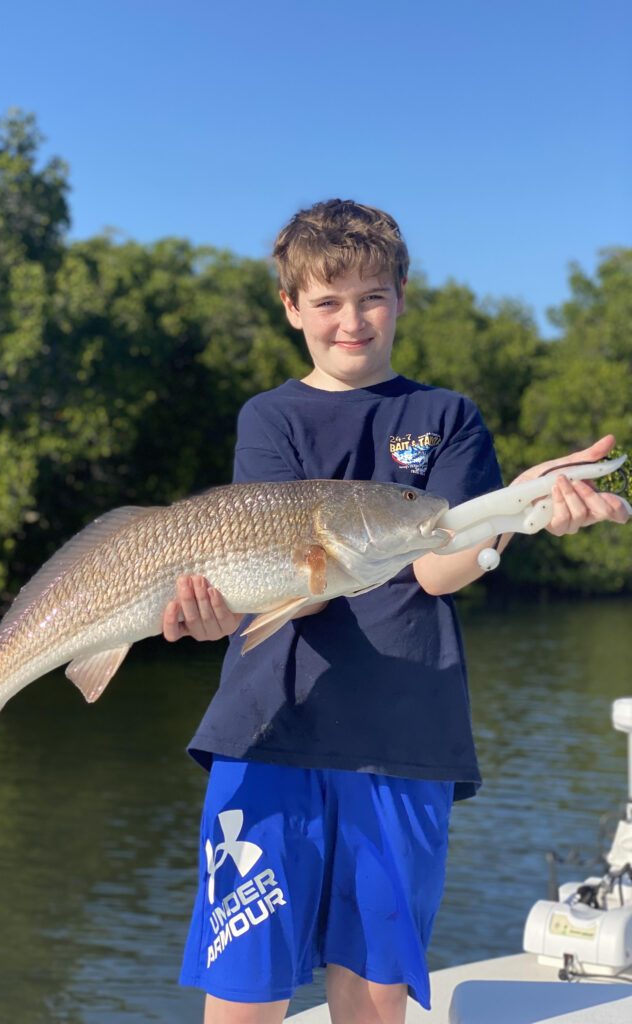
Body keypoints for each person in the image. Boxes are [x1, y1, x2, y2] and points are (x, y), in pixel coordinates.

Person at [161, 199, 629, 1024]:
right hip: (269, 737)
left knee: (374, 998)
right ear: (291, 307)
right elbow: (273, 574)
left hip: (405, 741)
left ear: (402, 298)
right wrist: (209, 612)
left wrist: (516, 512)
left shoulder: (445, 417)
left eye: (372, 297)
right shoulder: (269, 419)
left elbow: (439, 568)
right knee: (243, 992)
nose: (352, 320)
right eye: (328, 302)